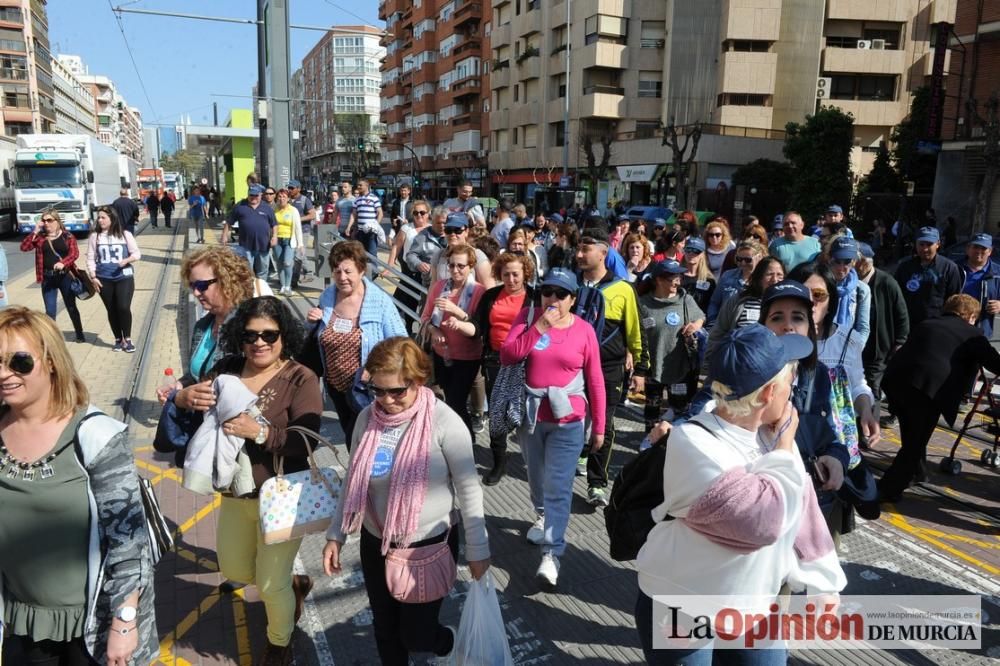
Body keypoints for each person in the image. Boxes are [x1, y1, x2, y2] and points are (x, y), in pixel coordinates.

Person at [635, 323, 845, 664]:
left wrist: (824, 581)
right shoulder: (693, 442)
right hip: (681, 603)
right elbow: (764, 521)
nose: (794, 387)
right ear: (766, 395)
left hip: (753, 604)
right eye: (788, 379)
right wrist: (787, 448)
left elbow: (802, 504)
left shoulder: (769, 436)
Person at [0, 307, 158, 666]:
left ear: (51, 361)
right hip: (21, 619)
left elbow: (129, 541)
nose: (5, 374)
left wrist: (125, 622)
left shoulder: (94, 435)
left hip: (94, 625)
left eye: (20, 362)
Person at [322, 336, 490, 664]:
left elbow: (469, 490)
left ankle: (446, 643)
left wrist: (478, 551)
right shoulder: (366, 419)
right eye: (377, 390)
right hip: (376, 542)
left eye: (396, 391)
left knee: (416, 635)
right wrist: (336, 534)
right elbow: (354, 478)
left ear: (418, 380)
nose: (385, 400)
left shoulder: (445, 423)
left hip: (425, 547)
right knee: (384, 630)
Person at [210, 296, 322, 665]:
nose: (259, 342)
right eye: (250, 335)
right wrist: (180, 399)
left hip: (280, 494)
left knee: (270, 585)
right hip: (234, 490)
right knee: (237, 570)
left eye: (269, 335)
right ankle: (294, 585)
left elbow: (305, 439)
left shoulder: (300, 378)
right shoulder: (226, 368)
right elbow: (200, 410)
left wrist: (259, 432)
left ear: (283, 337)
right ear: (239, 338)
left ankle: (279, 643)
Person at [501, 269, 606, 588]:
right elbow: (508, 355)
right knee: (536, 478)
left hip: (569, 419)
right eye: (548, 292)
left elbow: (596, 379)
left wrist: (599, 425)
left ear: (573, 300)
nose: (553, 299)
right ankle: (542, 515)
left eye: (562, 294)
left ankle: (552, 553)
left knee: (559, 486)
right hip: (532, 417)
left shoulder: (584, 330)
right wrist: (539, 327)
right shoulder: (527, 316)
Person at [878, 294, 1000, 502]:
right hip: (928, 391)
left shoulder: (927, 323)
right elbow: (995, 364)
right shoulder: (972, 334)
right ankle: (889, 488)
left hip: (897, 382)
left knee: (912, 433)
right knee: (915, 441)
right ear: (970, 316)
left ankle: (918, 472)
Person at [789, 262, 882, 500]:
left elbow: (857, 383)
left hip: (832, 449)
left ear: (831, 301)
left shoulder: (847, 340)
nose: (811, 302)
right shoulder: (777, 339)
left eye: (819, 295)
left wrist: (866, 411)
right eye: (803, 292)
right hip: (789, 445)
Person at [307, 241, 406, 448]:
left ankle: (367, 476)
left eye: (348, 271)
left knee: (366, 440)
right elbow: (320, 334)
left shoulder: (379, 301)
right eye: (337, 271)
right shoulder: (328, 296)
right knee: (351, 436)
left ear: (362, 270)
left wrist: (375, 368)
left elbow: (401, 343)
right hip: (335, 386)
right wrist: (312, 321)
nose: (342, 277)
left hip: (367, 389)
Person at [574, 226, 646, 507]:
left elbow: (636, 331)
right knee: (573, 420)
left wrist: (640, 369)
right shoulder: (571, 285)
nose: (579, 254)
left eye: (586, 249)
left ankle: (596, 483)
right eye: (578, 248)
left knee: (604, 423)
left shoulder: (623, 289)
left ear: (604, 252)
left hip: (609, 367)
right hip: (573, 369)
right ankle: (573, 458)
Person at [158, 246, 257, 423]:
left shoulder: (249, 328)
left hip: (235, 429)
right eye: (193, 286)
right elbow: (198, 374)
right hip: (204, 424)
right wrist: (180, 385)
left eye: (202, 285)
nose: (196, 292)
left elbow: (252, 386)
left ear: (228, 281)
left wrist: (181, 398)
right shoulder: (202, 326)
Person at [470, 252, 537, 484]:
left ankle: (532, 459)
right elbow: (477, 325)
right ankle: (499, 462)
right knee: (498, 414)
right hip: (495, 359)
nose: (511, 279)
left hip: (527, 362)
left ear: (525, 274)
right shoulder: (490, 296)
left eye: (515, 274)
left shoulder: (535, 298)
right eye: (506, 274)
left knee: (529, 413)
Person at [420, 243, 486, 437]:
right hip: (441, 354)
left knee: (456, 402)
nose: (455, 270)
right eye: (451, 265)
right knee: (448, 400)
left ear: (471, 267)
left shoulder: (479, 292)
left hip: (467, 357)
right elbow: (425, 317)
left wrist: (457, 312)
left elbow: (478, 329)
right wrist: (433, 330)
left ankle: (467, 441)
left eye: (461, 266)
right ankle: (456, 440)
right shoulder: (440, 287)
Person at [639, 259, 704, 427]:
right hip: (653, 367)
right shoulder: (644, 303)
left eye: (679, 277)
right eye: (673, 278)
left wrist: (695, 326)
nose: (678, 282)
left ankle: (674, 443)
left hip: (679, 367)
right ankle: (650, 442)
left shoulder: (685, 299)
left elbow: (701, 317)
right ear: (659, 280)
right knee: (652, 408)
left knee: (680, 408)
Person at [856, 243, 909, 429]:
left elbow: (901, 313)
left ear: (864, 262)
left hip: (877, 347)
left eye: (853, 260)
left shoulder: (886, 282)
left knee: (871, 386)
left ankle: (870, 428)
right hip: (854, 344)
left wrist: (901, 341)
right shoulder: (850, 281)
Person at [704, 256, 785, 372]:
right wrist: (710, 363)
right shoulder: (739, 300)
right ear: (759, 276)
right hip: (736, 368)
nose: (774, 279)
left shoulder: (787, 305)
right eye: (769, 274)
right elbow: (719, 331)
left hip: (772, 371)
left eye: (779, 275)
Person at [19, 209, 86, 343]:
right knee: (50, 311)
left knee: (71, 307)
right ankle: (52, 338)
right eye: (44, 220)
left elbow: (74, 254)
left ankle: (79, 333)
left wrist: (63, 263)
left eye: (49, 220)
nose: (46, 223)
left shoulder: (67, 236)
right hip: (47, 278)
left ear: (57, 221)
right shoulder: (40, 237)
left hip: (65, 277)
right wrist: (35, 230)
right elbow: (24, 247)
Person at [86, 206, 141, 353]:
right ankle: (118, 339)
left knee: (123, 307)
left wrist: (127, 260)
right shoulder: (95, 237)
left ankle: (128, 339)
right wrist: (93, 276)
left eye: (103, 217)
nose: (100, 220)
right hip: (104, 278)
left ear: (112, 218)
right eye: (99, 217)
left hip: (124, 277)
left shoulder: (125, 234)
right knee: (112, 309)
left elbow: (137, 254)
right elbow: (91, 258)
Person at [894, 226, 962, 327]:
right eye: (921, 244)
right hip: (908, 323)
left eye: (929, 244)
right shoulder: (905, 266)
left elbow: (954, 300)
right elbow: (896, 295)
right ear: (916, 244)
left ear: (938, 244)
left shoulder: (949, 268)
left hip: (937, 325)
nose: (925, 249)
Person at [384, 198, 431, 332]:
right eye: (416, 213)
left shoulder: (432, 229)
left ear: (428, 213)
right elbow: (396, 247)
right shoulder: (406, 228)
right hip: (409, 269)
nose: (419, 216)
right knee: (408, 298)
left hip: (428, 271)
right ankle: (408, 328)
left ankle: (422, 329)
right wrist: (389, 266)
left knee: (424, 301)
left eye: (422, 212)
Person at [222, 184, 278, 279]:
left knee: (263, 271)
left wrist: (274, 237)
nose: (253, 198)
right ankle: (250, 291)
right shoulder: (240, 206)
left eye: (256, 195)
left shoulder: (267, 208)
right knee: (247, 271)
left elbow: (274, 224)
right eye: (251, 195)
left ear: (261, 195)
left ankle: (261, 290)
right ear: (248, 194)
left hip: (263, 245)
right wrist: (224, 235)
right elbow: (229, 222)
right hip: (246, 245)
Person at [825, 236, 871, 347]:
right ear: (830, 259)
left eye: (847, 261)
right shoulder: (820, 285)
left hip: (847, 350)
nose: (841, 267)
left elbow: (863, 328)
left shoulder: (862, 289)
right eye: (837, 261)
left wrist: (854, 350)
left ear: (854, 262)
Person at [706, 239, 765, 326]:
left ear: (759, 257)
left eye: (748, 260)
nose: (743, 263)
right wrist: (712, 321)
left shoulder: (765, 279)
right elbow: (714, 302)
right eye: (739, 259)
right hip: (726, 329)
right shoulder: (727, 276)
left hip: (754, 331)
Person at [429, 214, 494, 287]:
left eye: (457, 230)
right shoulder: (438, 255)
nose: (452, 234)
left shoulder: (478, 256)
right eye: (448, 230)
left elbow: (489, 288)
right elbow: (433, 286)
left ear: (466, 231)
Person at [958, 233, 1000, 337]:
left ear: (990, 251)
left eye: (983, 248)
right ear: (968, 249)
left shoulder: (998, 273)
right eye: (975, 247)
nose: (979, 251)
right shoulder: (954, 268)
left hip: (982, 331)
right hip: (955, 328)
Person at [405, 205, 449, 287]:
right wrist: (418, 264)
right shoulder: (423, 236)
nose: (442, 226)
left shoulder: (453, 234)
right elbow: (411, 255)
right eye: (438, 222)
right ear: (432, 221)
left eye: (444, 222)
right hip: (430, 282)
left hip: (449, 280)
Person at [271, 188, 304, 296]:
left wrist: (301, 244)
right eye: (279, 197)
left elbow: (298, 228)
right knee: (279, 264)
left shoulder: (293, 210)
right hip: (277, 239)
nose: (281, 199)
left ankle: (288, 286)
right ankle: (283, 285)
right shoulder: (273, 209)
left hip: (290, 240)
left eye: (284, 197)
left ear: (288, 198)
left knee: (287, 262)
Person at [346, 178, 384, 264]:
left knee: (372, 254)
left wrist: (375, 225)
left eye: (360, 185)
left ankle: (373, 274)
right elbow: (353, 214)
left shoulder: (374, 198)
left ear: (366, 186)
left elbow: (380, 213)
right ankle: (364, 274)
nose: (358, 187)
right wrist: (349, 227)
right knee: (361, 254)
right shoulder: (357, 199)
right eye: (358, 185)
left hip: (371, 232)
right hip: (360, 232)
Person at [679, 235, 716, 313]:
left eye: (696, 251)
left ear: (702, 254)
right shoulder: (675, 275)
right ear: (684, 251)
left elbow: (712, 306)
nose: (691, 254)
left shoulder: (709, 280)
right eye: (688, 250)